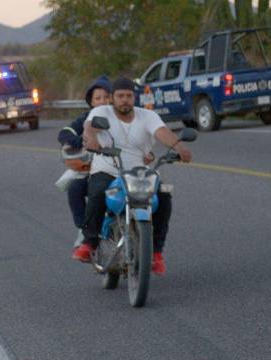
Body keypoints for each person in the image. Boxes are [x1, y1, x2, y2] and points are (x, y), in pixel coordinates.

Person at [73, 76, 193, 274]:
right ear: (112, 98)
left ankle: (155, 254)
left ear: (134, 98)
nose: (125, 100)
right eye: (120, 96)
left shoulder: (147, 116)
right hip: (108, 168)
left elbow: (162, 132)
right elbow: (89, 127)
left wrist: (179, 147)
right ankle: (89, 242)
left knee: (163, 198)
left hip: (140, 172)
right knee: (97, 193)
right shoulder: (101, 111)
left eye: (129, 96)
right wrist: (92, 138)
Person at [57, 75, 112, 246]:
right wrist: (81, 140)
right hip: (96, 171)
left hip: (124, 168)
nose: (103, 101)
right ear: (92, 101)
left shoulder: (123, 115)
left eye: (106, 96)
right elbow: (64, 133)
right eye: (98, 98)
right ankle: (84, 229)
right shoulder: (86, 119)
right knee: (75, 188)